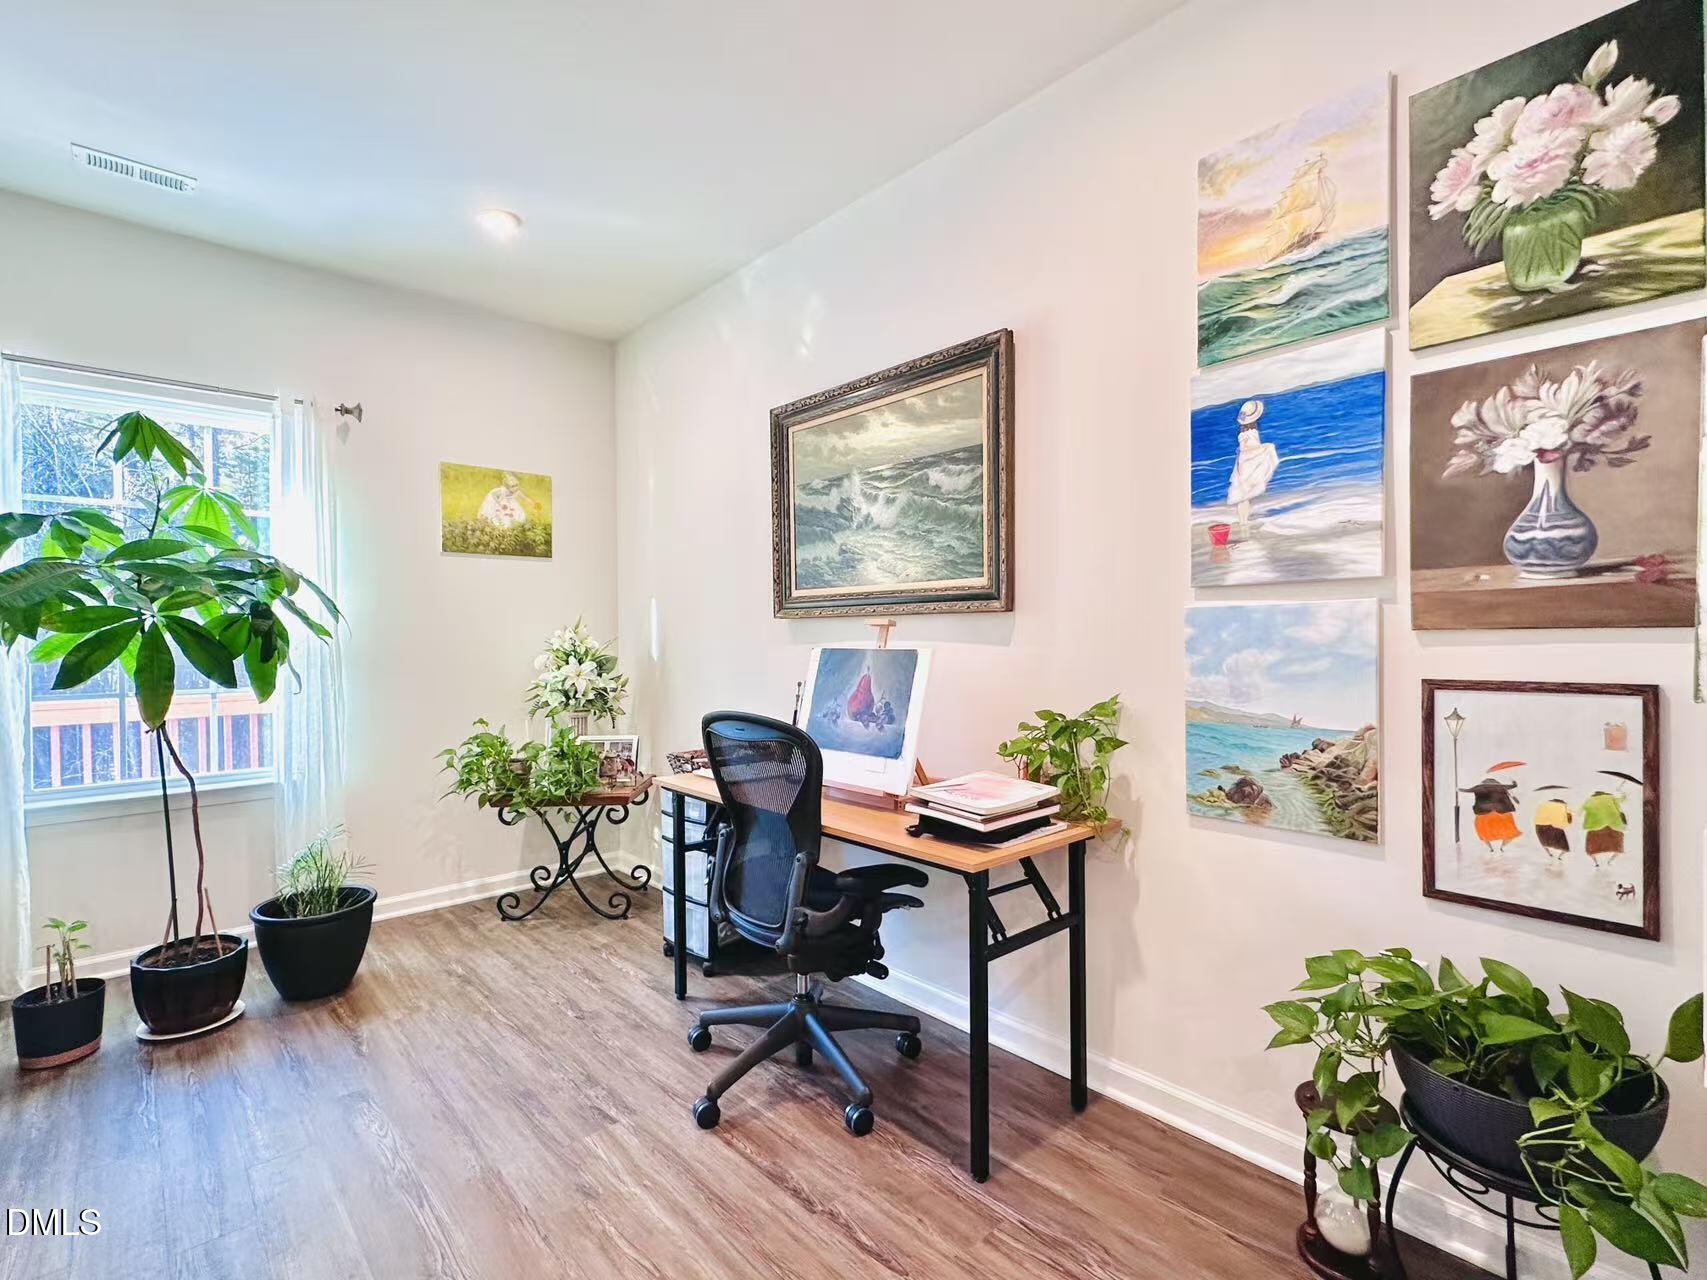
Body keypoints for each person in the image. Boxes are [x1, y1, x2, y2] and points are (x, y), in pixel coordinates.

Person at [1226, 400, 1280, 536]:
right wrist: (1267, 448)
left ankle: (1243, 521)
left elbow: (1244, 447)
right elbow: (1249, 448)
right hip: (1248, 462)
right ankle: (1243, 523)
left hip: (1243, 462)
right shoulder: (1252, 432)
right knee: (1245, 495)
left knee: (1242, 494)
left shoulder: (1242, 432)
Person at [1461, 777, 1521, 854]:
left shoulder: (1479, 790)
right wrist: (1513, 781)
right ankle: (1501, 847)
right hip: (1503, 815)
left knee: (1484, 835)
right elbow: (1514, 787)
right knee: (1510, 834)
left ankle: (1491, 848)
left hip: (1483, 816)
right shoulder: (1503, 789)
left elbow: (1466, 791)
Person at [1582, 789, 1628, 865]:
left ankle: (1596, 863)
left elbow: (1579, 811)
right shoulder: (1610, 797)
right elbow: (1623, 799)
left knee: (1591, 849)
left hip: (1595, 828)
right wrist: (1622, 791)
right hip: (1613, 826)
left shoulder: (1589, 800)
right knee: (1617, 848)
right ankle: (1610, 861)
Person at [1533, 792, 1573, 863]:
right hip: (1549, 827)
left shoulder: (1543, 804)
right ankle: (1559, 856)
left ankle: (1549, 854)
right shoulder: (1562, 806)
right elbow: (1566, 821)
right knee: (1564, 846)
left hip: (1538, 827)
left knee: (1544, 843)